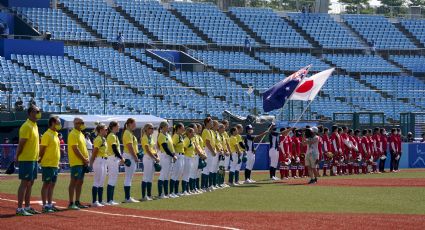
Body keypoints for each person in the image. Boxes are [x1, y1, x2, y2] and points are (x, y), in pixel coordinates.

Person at [15, 106, 41, 216]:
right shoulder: (26, 126)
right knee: (24, 183)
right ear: (30, 113)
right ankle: (20, 208)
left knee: (30, 183)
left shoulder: (34, 125)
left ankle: (27, 206)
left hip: (33, 159)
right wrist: (17, 156)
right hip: (26, 159)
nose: (39, 113)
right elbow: (21, 143)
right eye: (37, 111)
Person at [39, 116, 61, 213]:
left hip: (55, 164)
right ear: (52, 123)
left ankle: (50, 204)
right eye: (58, 122)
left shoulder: (55, 134)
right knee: (46, 184)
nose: (59, 124)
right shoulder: (47, 134)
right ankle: (44, 205)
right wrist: (40, 159)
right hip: (48, 164)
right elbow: (42, 149)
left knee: (52, 185)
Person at [67, 117, 90, 210]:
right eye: (81, 122)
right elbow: (75, 149)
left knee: (80, 182)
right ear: (76, 123)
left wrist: (86, 159)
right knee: (74, 182)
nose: (83, 124)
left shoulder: (81, 134)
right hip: (76, 162)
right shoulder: (73, 134)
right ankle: (71, 203)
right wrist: (84, 159)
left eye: (83, 122)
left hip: (82, 162)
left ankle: (77, 201)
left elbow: (83, 147)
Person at [90, 123, 108, 207]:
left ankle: (100, 200)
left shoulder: (103, 139)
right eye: (105, 129)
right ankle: (94, 201)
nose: (107, 130)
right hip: (98, 160)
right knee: (97, 181)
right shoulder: (98, 139)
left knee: (102, 181)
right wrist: (91, 162)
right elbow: (94, 152)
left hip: (104, 160)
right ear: (101, 130)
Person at [122, 118, 140, 203]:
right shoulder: (127, 133)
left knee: (129, 177)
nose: (135, 125)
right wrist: (135, 156)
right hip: (129, 156)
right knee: (128, 177)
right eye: (134, 123)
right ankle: (127, 197)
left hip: (130, 155)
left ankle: (127, 197)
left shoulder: (129, 133)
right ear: (129, 124)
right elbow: (130, 146)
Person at [106, 121, 124, 205]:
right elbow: (114, 148)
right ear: (113, 127)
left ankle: (110, 199)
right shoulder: (112, 136)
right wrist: (121, 157)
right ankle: (109, 200)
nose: (119, 127)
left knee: (113, 178)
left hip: (114, 158)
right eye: (118, 126)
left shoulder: (113, 136)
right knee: (112, 178)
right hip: (113, 158)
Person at [157, 121, 177, 198]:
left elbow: (171, 146)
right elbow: (165, 148)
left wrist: (173, 154)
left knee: (166, 175)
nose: (168, 127)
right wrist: (173, 155)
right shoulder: (161, 135)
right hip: (165, 156)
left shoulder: (168, 135)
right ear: (163, 127)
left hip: (169, 156)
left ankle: (166, 193)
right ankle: (160, 194)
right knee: (163, 174)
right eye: (167, 126)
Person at [141, 123, 159, 201]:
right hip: (148, 157)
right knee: (146, 176)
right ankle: (144, 196)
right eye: (151, 128)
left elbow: (153, 148)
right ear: (147, 129)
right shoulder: (144, 137)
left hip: (152, 157)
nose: (152, 129)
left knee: (151, 177)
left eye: (153, 128)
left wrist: (156, 155)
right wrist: (155, 157)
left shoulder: (151, 137)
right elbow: (147, 150)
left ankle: (149, 195)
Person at [170, 123, 185, 198]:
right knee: (175, 174)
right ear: (178, 128)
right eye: (182, 128)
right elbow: (173, 145)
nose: (183, 129)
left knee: (179, 174)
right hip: (177, 155)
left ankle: (176, 191)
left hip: (181, 155)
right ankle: (171, 192)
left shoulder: (180, 136)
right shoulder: (176, 136)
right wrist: (173, 155)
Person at [201, 117, 215, 192]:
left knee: (209, 168)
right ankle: (203, 186)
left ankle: (207, 185)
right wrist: (213, 151)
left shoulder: (211, 131)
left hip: (210, 150)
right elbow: (207, 143)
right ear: (207, 123)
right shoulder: (205, 131)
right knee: (206, 169)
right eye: (211, 122)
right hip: (207, 150)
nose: (212, 123)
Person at [182, 127, 195, 195]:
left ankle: (187, 189)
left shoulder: (190, 139)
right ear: (189, 133)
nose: (194, 133)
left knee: (188, 174)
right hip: (187, 158)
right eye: (193, 132)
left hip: (190, 158)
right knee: (186, 174)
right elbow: (183, 149)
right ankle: (184, 190)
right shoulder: (186, 140)